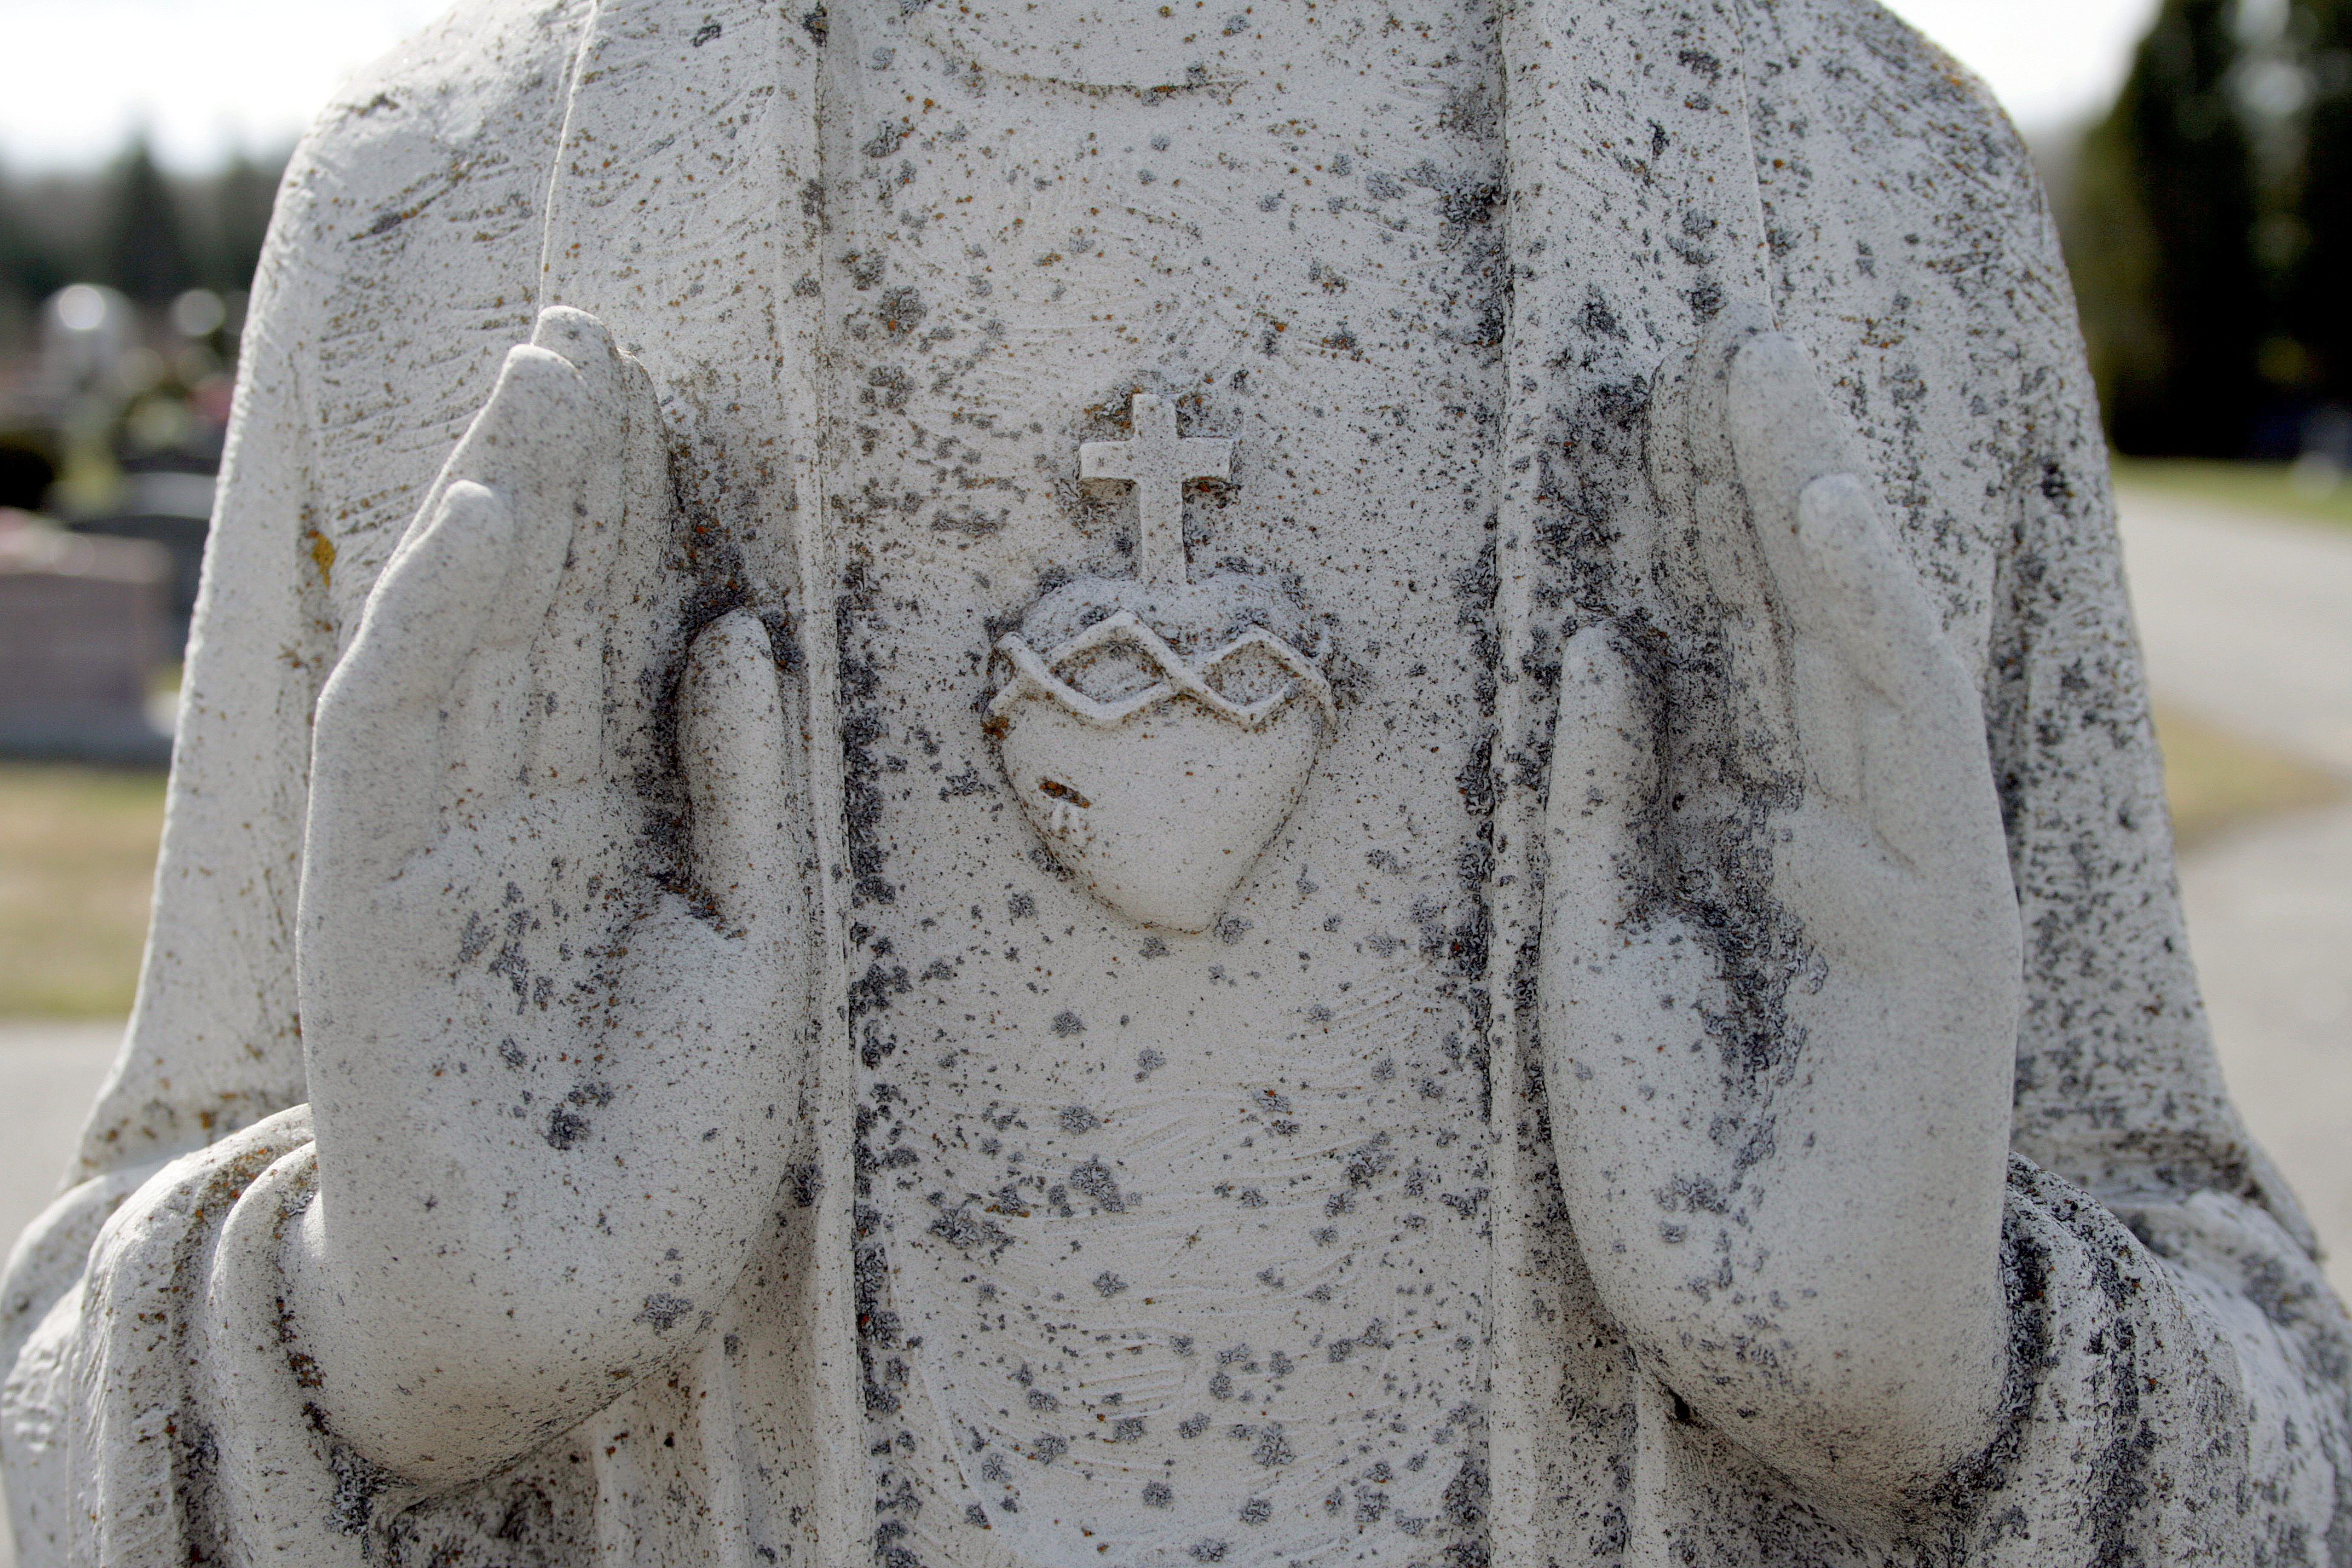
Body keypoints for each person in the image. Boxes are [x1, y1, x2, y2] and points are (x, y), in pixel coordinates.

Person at [5, 2, 2347, 1564]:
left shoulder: (1880, 199)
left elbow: (2285, 1416)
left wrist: (1968, 1373)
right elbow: (55, 1427)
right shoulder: (441, 213)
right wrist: (349, 1345)